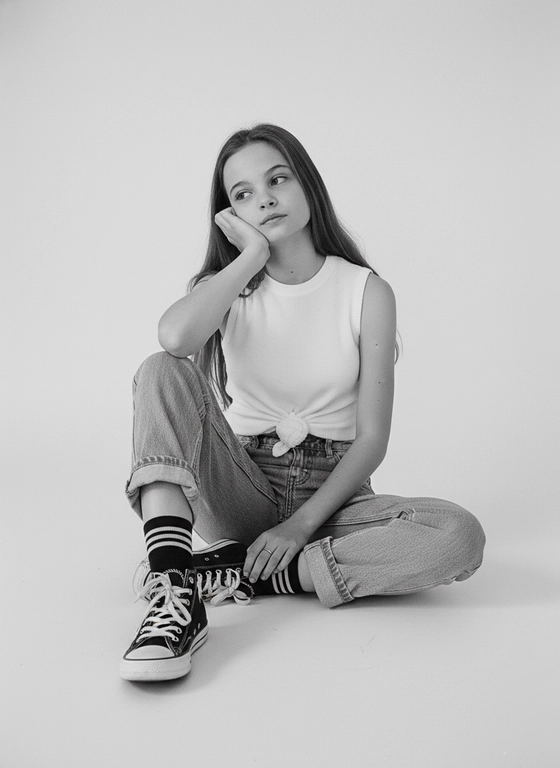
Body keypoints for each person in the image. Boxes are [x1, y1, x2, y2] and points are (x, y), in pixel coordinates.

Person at [119, 123, 486, 682]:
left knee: (457, 534)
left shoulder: (366, 291)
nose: (263, 198)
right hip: (242, 486)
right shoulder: (226, 289)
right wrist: (250, 257)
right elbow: (174, 341)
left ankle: (247, 572)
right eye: (242, 194)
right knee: (158, 371)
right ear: (229, 214)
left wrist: (301, 526)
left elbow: (372, 439)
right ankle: (174, 592)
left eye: (277, 179)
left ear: (307, 185)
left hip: (333, 500)